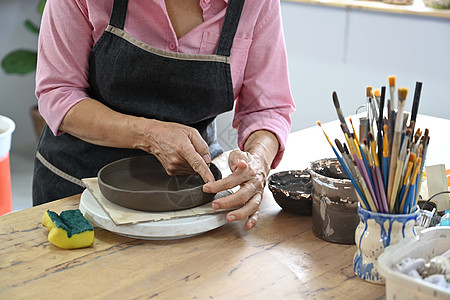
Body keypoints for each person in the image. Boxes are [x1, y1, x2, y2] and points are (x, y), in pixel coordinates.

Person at [33, 0, 295, 229]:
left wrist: (257, 162)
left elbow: (268, 109)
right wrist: (149, 134)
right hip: (74, 191)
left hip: (192, 201)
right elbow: (59, 92)